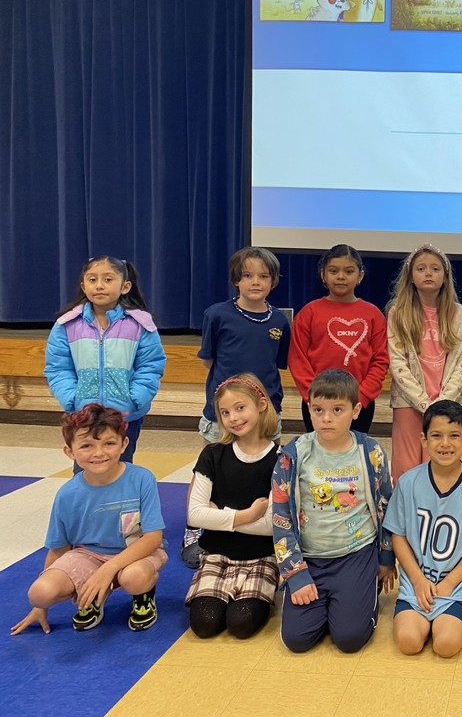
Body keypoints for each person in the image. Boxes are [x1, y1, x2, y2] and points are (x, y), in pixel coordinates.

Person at [11, 404, 166, 635]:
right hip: (89, 555)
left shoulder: (142, 478)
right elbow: (59, 548)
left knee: (135, 577)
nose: (98, 453)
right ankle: (92, 594)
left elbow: (153, 537)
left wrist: (109, 569)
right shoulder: (67, 494)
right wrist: (40, 607)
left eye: (109, 443)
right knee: (40, 592)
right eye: (86, 445)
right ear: (70, 452)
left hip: (137, 552)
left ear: (124, 444)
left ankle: (143, 595)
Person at [272, 369, 396, 653]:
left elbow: (387, 507)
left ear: (355, 410)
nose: (326, 418)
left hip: (356, 555)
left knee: (349, 640)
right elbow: (281, 520)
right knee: (297, 640)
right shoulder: (292, 455)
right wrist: (296, 575)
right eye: (318, 409)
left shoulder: (371, 452)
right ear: (309, 408)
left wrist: (386, 557)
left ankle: (357, 599)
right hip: (310, 559)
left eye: (337, 409)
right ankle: (335, 601)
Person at [182, 247, 291, 568]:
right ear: (236, 280)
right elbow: (208, 359)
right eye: (247, 275)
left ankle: (262, 527)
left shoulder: (280, 320)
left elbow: (277, 363)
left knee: (264, 472)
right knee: (209, 470)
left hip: (268, 410)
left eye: (263, 276)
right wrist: (231, 403)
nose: (255, 282)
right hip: (224, 414)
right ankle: (194, 530)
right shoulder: (217, 314)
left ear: (273, 281)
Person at [383, 400, 462, 657]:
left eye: (454, 436)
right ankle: (419, 611)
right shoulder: (408, 482)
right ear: (423, 439)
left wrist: (449, 583)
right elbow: (398, 535)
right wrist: (416, 579)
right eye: (436, 436)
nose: (445, 444)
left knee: (446, 646)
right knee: (408, 642)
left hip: (456, 586)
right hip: (416, 583)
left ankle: (455, 611)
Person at [44, 256, 166, 466]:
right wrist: (71, 399)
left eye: (108, 279)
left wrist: (135, 398)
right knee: (85, 469)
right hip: (84, 415)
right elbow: (58, 368)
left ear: (125, 286)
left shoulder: (140, 325)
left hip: (125, 415)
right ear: (83, 285)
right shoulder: (66, 324)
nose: (99, 286)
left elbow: (151, 366)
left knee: (120, 467)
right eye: (92, 280)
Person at [184, 374, 280, 640]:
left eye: (240, 408)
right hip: (216, 554)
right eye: (225, 412)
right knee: (205, 624)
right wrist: (245, 515)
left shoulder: (281, 458)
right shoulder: (212, 454)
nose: (234, 418)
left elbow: (273, 525)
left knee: (241, 623)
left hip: (262, 557)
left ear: (261, 404)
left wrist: (217, 515)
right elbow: (194, 514)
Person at [386, 244, 462, 482]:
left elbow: (460, 364)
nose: (428, 273)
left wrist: (442, 401)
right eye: (421, 268)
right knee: (406, 463)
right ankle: (404, 513)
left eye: (435, 269)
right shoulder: (398, 313)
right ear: (410, 276)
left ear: (445, 276)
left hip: (445, 401)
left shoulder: (460, 316)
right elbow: (397, 362)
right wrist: (423, 402)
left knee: (438, 459)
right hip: (408, 402)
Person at [289, 244, 389, 435]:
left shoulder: (373, 314)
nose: (341, 276)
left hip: (359, 405)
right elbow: (298, 359)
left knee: (353, 454)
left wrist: (360, 396)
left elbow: (380, 360)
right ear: (323, 274)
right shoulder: (309, 312)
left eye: (348, 271)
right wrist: (314, 396)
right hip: (317, 402)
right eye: (334, 271)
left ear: (360, 275)